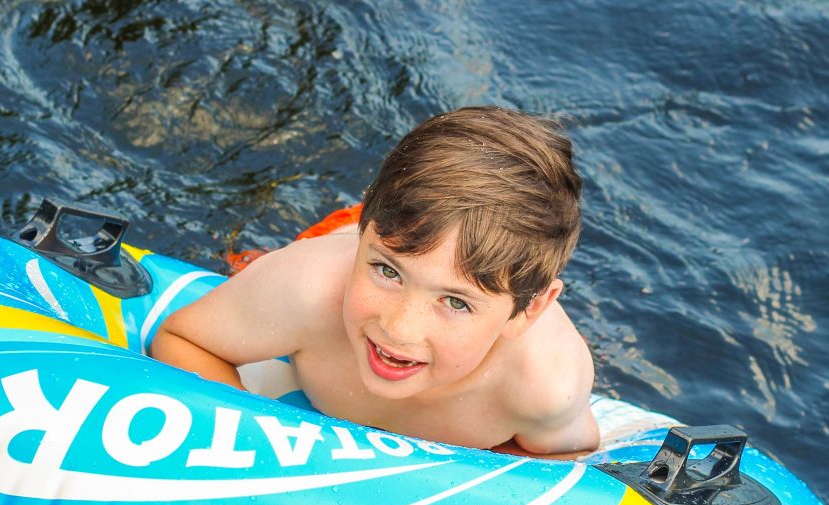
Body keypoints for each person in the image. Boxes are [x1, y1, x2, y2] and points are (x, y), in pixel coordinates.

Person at [152, 106, 597, 458]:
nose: (399, 329)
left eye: (456, 302)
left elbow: (571, 453)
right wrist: (257, 439)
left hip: (403, 242)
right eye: (387, 273)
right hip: (346, 238)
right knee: (245, 263)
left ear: (530, 310)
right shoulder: (305, 289)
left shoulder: (543, 385)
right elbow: (183, 339)